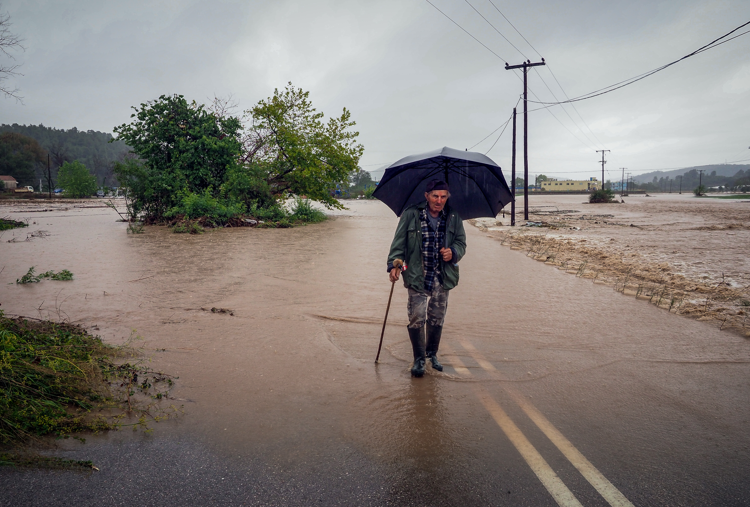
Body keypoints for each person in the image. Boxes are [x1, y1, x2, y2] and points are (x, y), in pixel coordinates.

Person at [386, 179, 467, 377]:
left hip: (442, 275)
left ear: (447, 197)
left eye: (443, 197)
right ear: (426, 196)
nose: (439, 201)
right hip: (417, 274)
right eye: (435, 196)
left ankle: (432, 356)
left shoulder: (454, 216)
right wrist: (394, 265)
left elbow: (461, 242)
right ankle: (419, 360)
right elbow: (399, 244)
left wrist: (453, 253)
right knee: (416, 318)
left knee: (437, 318)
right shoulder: (411, 214)